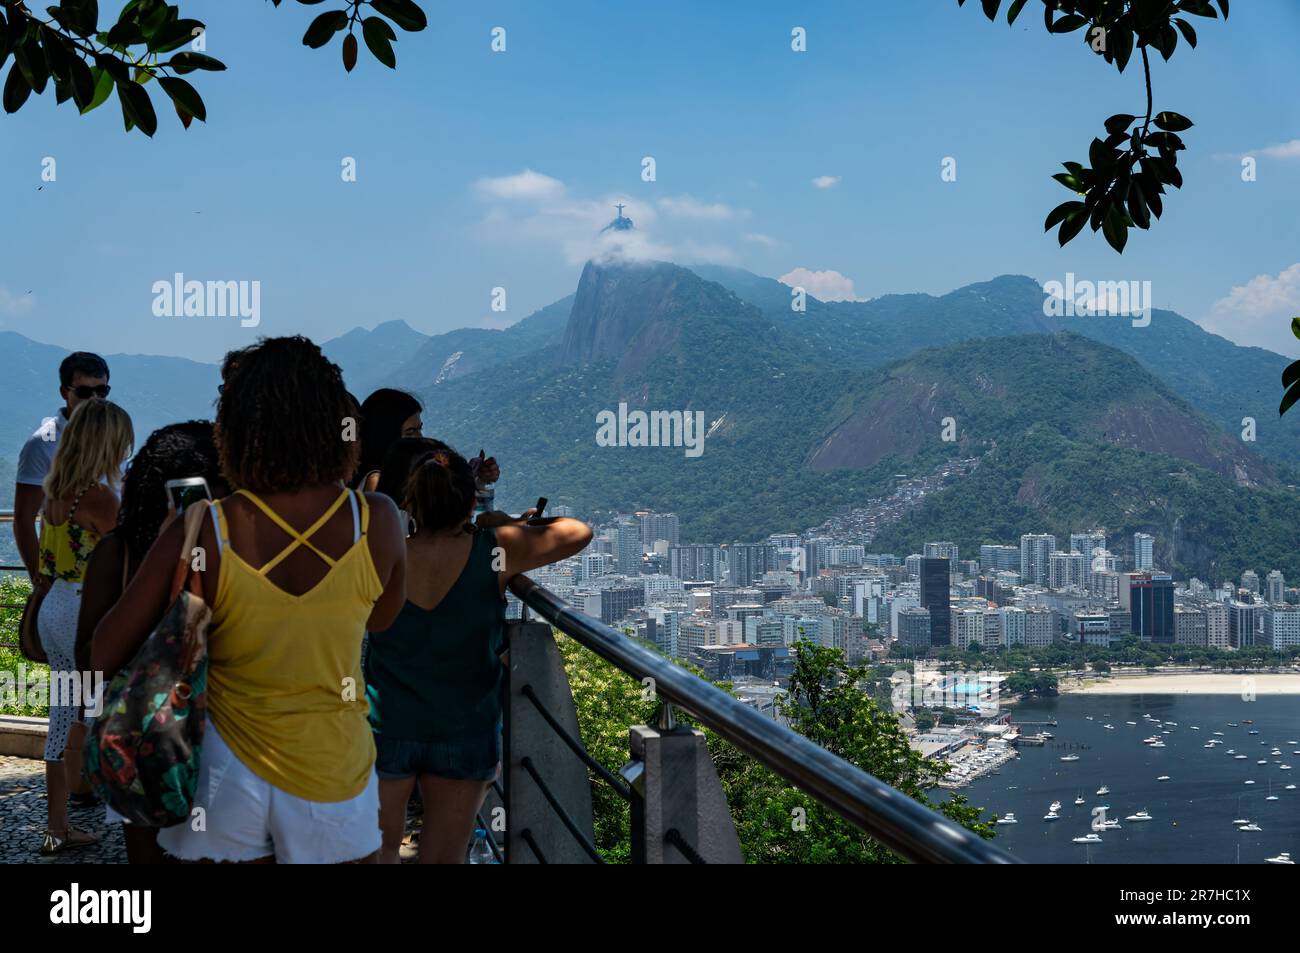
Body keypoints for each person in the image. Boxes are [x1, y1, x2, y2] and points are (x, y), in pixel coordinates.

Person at [92, 336, 406, 864]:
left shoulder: (205, 527)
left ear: (235, 430)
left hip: (226, 776)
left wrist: (175, 542)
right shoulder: (378, 519)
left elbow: (103, 650)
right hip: (335, 768)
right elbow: (383, 618)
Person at [365, 440, 591, 863]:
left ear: (411, 501)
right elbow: (578, 532)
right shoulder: (494, 550)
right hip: (465, 727)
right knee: (445, 856)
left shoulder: (384, 551)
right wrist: (515, 523)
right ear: (470, 501)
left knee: (374, 854)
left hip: (386, 723)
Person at [76, 421, 226, 864]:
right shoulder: (232, 554)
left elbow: (88, 664)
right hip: (218, 737)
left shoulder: (115, 552)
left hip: (142, 743)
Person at [35, 398, 134, 855]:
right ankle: (140, 816)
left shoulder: (57, 493)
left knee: (61, 720)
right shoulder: (100, 498)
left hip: (54, 606)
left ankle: (57, 827)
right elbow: (130, 557)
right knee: (111, 713)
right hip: (84, 613)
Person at [14, 353, 111, 808]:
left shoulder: (65, 484)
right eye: (85, 391)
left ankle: (69, 802)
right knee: (86, 699)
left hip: (63, 600)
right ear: (64, 393)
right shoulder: (43, 445)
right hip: (80, 601)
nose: (95, 399)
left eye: (102, 391)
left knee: (67, 705)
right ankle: (85, 786)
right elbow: (21, 520)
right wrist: (39, 580)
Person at [351, 389, 424, 492]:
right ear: (386, 436)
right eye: (410, 432)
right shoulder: (377, 481)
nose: (420, 437)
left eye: (420, 429)